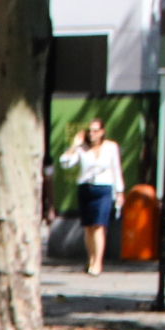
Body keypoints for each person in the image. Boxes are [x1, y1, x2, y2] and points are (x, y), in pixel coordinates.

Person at [58, 118, 123, 276]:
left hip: (104, 188)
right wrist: (75, 145)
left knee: (99, 225)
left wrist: (119, 191)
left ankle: (98, 262)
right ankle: (91, 258)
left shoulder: (111, 147)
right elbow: (65, 162)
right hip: (86, 188)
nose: (92, 134)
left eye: (95, 130)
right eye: (90, 131)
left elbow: (116, 169)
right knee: (88, 227)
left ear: (102, 132)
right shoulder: (82, 149)